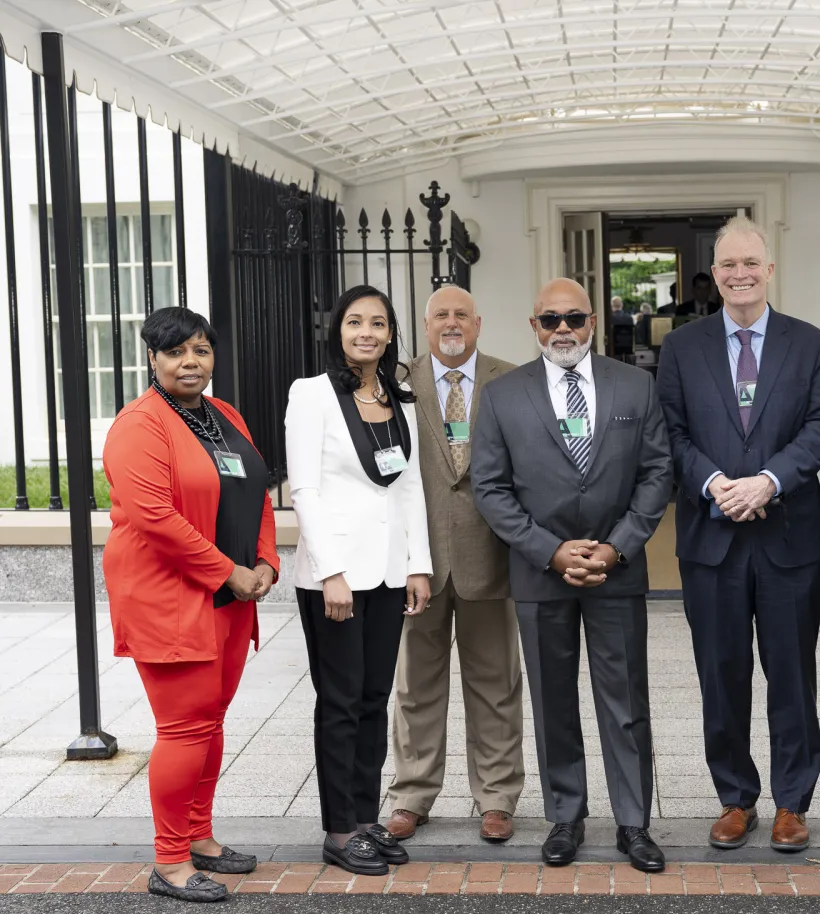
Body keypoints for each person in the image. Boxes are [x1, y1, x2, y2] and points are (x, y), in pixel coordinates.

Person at [471, 278, 673, 872]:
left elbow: (657, 473)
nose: (563, 329)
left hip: (616, 573)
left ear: (593, 323)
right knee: (552, 700)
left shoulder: (635, 385)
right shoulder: (504, 395)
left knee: (626, 700)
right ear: (533, 326)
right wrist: (551, 550)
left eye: (575, 318)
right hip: (541, 574)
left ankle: (634, 822)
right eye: (550, 319)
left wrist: (617, 548)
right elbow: (490, 486)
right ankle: (567, 815)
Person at [656, 216, 820, 853]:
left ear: (769, 268)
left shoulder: (810, 343)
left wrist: (768, 480)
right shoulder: (682, 347)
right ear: (715, 272)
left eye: (750, 263)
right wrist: (715, 485)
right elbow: (670, 434)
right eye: (728, 264)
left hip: (786, 535)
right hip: (711, 539)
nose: (739, 274)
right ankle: (735, 797)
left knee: (792, 673)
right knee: (721, 674)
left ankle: (792, 801)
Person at [102, 307, 278, 903]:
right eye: (176, 352)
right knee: (184, 728)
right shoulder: (139, 426)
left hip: (229, 600)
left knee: (209, 723)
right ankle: (170, 860)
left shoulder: (223, 415)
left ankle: (199, 836)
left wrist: (266, 562)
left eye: (201, 350)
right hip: (170, 598)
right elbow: (155, 519)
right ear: (152, 358)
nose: (191, 362)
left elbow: (257, 491)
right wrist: (229, 570)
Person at [286, 286, 433, 876]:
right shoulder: (312, 394)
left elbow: (410, 485)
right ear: (338, 330)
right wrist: (331, 573)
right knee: (341, 702)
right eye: (355, 322)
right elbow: (306, 490)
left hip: (390, 571)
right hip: (337, 578)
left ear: (391, 333)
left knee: (375, 700)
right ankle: (339, 829)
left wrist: (417, 563)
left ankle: (368, 821)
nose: (366, 332)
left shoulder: (400, 398)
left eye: (377, 323)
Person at [386, 286, 524, 844]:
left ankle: (496, 797)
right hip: (415, 558)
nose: (451, 323)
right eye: (440, 314)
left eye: (460, 315)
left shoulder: (511, 380)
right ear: (425, 325)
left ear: (479, 322)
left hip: (490, 555)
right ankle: (412, 794)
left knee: (496, 683)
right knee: (416, 684)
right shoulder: (394, 383)